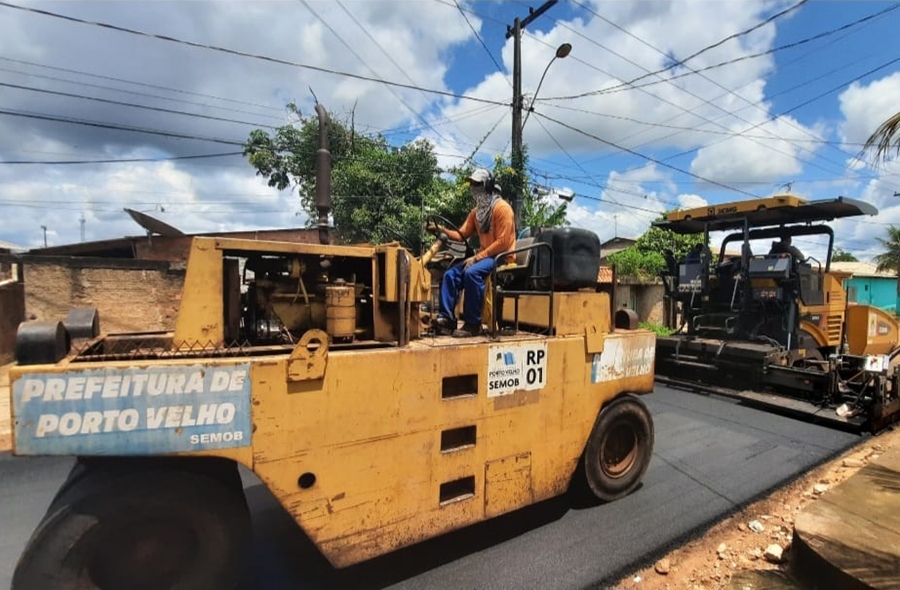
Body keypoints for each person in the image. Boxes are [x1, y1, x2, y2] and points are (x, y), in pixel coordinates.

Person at [428, 168, 516, 337]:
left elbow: (503, 243)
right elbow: (461, 235)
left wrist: (477, 258)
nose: (473, 188)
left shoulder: (502, 209)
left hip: (502, 257)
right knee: (450, 275)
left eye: (477, 184)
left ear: (488, 186)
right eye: (472, 184)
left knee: (472, 273)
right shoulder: (477, 213)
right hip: (485, 256)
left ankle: (473, 324)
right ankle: (446, 319)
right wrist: (440, 230)